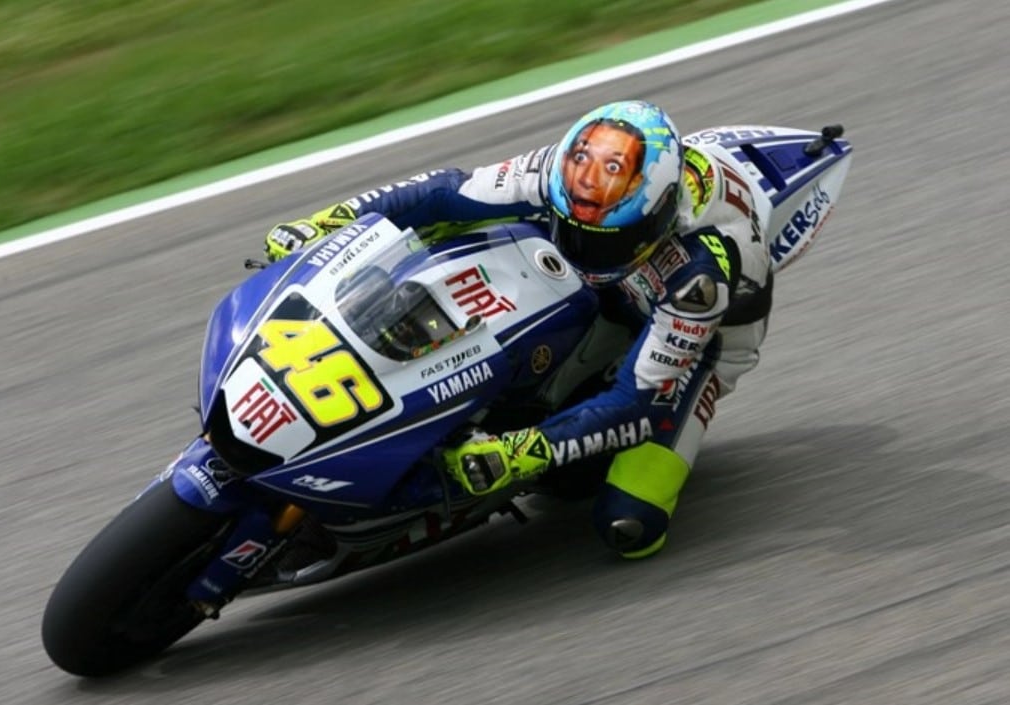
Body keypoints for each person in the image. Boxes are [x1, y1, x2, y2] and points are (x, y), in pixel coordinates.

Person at [263, 100, 772, 559]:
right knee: (459, 237)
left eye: (600, 239)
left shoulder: (699, 276)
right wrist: (333, 221)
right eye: (573, 227)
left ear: (657, 220)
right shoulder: (570, 172)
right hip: (605, 281)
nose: (580, 247)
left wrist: (522, 453)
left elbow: (636, 402)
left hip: (705, 339)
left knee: (631, 524)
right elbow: (447, 194)